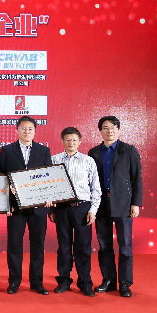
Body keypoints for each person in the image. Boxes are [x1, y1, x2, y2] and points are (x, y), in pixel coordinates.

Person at [0, 116, 53, 295]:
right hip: (16, 207)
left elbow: (49, 176)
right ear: (17, 130)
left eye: (30, 129)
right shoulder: (6, 150)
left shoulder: (43, 151)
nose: (27, 131)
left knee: (38, 245)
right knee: (14, 245)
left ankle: (37, 282)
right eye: (23, 128)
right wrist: (8, 192)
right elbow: (0, 176)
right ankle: (14, 281)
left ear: (35, 131)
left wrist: (49, 198)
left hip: (38, 206)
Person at [88, 116, 143, 298]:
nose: (109, 131)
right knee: (104, 245)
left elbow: (136, 178)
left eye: (113, 127)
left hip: (123, 204)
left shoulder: (129, 151)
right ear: (100, 131)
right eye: (105, 127)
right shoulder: (94, 152)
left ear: (118, 130)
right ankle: (108, 280)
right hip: (101, 204)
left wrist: (136, 203)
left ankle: (125, 283)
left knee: (125, 246)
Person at [51, 127, 102, 297]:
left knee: (83, 247)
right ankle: (64, 281)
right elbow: (49, 186)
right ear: (62, 141)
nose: (71, 142)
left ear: (79, 141)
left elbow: (96, 188)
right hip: (62, 208)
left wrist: (93, 210)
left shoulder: (88, 161)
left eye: (74, 139)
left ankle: (85, 282)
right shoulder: (54, 159)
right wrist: (52, 209)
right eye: (67, 139)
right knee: (63, 247)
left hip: (82, 208)